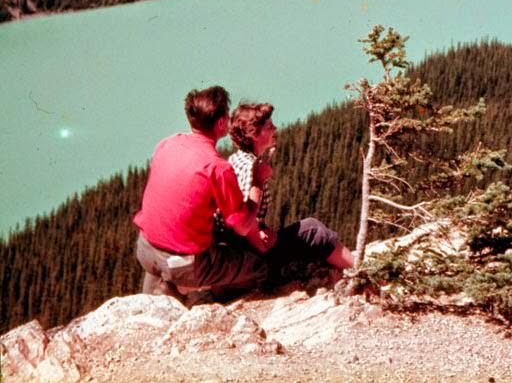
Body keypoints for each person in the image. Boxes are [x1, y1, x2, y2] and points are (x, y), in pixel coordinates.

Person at [134, 85, 274, 300]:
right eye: (227, 116)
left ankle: (166, 289)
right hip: (184, 265)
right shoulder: (217, 167)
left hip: (145, 249)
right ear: (220, 123)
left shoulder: (167, 144)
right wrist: (257, 181)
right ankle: (195, 293)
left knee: (153, 306)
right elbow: (243, 226)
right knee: (258, 268)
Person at [222, 101, 354, 283]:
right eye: (269, 126)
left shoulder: (236, 159)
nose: (275, 128)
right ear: (254, 134)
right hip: (250, 253)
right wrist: (260, 242)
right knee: (314, 230)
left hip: (237, 249)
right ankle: (360, 272)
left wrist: (260, 228)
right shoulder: (250, 167)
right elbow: (242, 218)